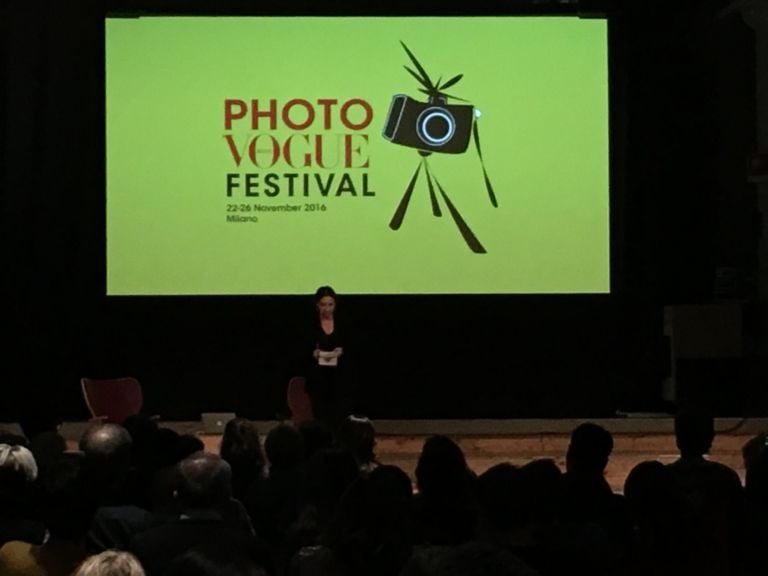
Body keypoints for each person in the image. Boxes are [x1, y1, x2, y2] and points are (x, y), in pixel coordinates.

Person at [306, 286, 347, 434]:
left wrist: (341, 351)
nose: (327, 309)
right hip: (319, 376)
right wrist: (314, 353)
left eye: (330, 305)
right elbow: (303, 347)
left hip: (338, 375)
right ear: (317, 305)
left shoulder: (342, 323)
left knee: (338, 410)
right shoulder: (311, 324)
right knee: (320, 411)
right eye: (323, 305)